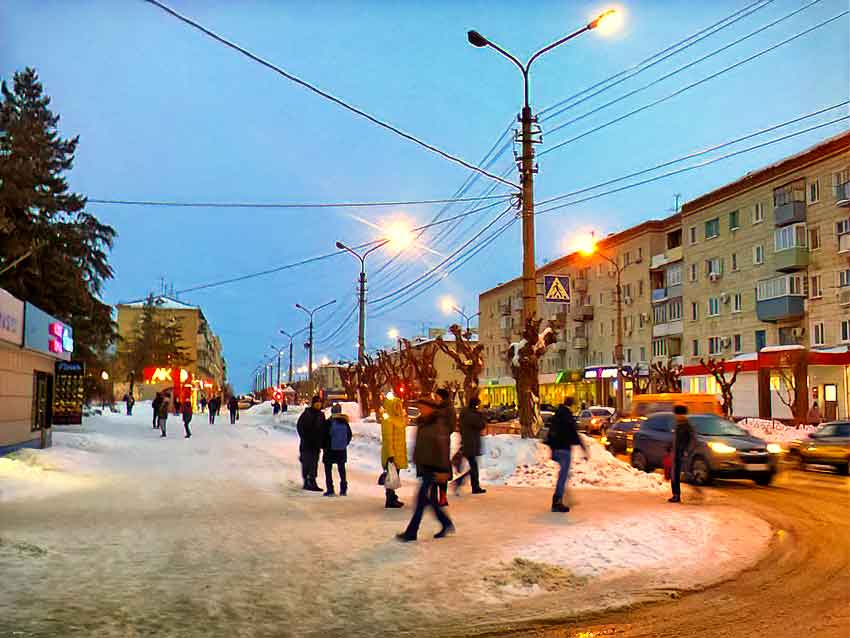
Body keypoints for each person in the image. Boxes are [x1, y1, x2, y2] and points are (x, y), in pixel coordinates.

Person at [397, 397, 454, 542]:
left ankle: (411, 532)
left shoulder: (438, 425)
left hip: (434, 467)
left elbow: (443, 449)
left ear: (431, 408)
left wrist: (444, 471)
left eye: (422, 407)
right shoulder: (423, 423)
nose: (420, 410)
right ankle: (446, 523)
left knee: (421, 500)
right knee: (427, 500)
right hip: (425, 466)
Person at [546, 396, 588, 513]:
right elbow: (574, 433)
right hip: (564, 449)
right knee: (563, 475)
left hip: (556, 449)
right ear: (572, 405)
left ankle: (565, 497)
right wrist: (583, 448)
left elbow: (551, 431)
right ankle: (557, 501)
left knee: (565, 474)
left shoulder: (558, 414)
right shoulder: (567, 416)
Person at [455, 396, 487, 495]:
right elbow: (481, 424)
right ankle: (472, 486)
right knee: (473, 466)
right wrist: (481, 414)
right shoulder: (473, 415)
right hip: (471, 443)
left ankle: (468, 484)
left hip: (467, 441)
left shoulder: (465, 413)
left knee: (473, 465)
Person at [381, 392, 408, 508]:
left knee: (394, 477)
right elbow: (388, 439)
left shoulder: (398, 419)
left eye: (399, 405)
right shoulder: (388, 420)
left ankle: (392, 497)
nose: (398, 408)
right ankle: (390, 499)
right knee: (391, 477)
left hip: (398, 453)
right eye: (396, 406)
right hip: (392, 454)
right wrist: (390, 455)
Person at [322, 403, 352, 496]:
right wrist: (344, 444)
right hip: (341, 450)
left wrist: (324, 446)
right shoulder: (344, 422)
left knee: (328, 469)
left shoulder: (329, 422)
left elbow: (324, 435)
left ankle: (330, 489)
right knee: (341, 469)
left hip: (330, 449)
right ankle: (343, 489)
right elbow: (349, 435)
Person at [296, 396, 325, 491]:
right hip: (307, 444)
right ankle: (306, 481)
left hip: (316, 444)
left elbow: (323, 428)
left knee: (314, 463)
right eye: (316, 403)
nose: (318, 404)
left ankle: (312, 481)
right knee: (306, 462)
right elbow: (300, 426)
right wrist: (304, 437)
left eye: (319, 403)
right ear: (313, 404)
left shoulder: (321, 415)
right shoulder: (307, 414)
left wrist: (322, 440)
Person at [669, 404, 696, 504]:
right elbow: (675, 439)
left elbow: (692, 440)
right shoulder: (678, 425)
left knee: (681, 474)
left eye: (678, 414)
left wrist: (686, 451)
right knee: (674, 475)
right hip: (676, 453)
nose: (676, 416)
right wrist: (670, 448)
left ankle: (678, 494)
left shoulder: (686, 426)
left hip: (682, 454)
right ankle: (675, 495)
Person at [434, 388, 456, 507]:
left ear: (442, 397)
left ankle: (442, 496)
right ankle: (433, 496)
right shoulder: (436, 408)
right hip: (433, 442)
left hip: (442, 443)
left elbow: (451, 426)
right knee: (434, 469)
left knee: (442, 470)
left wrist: (443, 434)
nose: (435, 399)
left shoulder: (449, 409)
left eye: (437, 397)